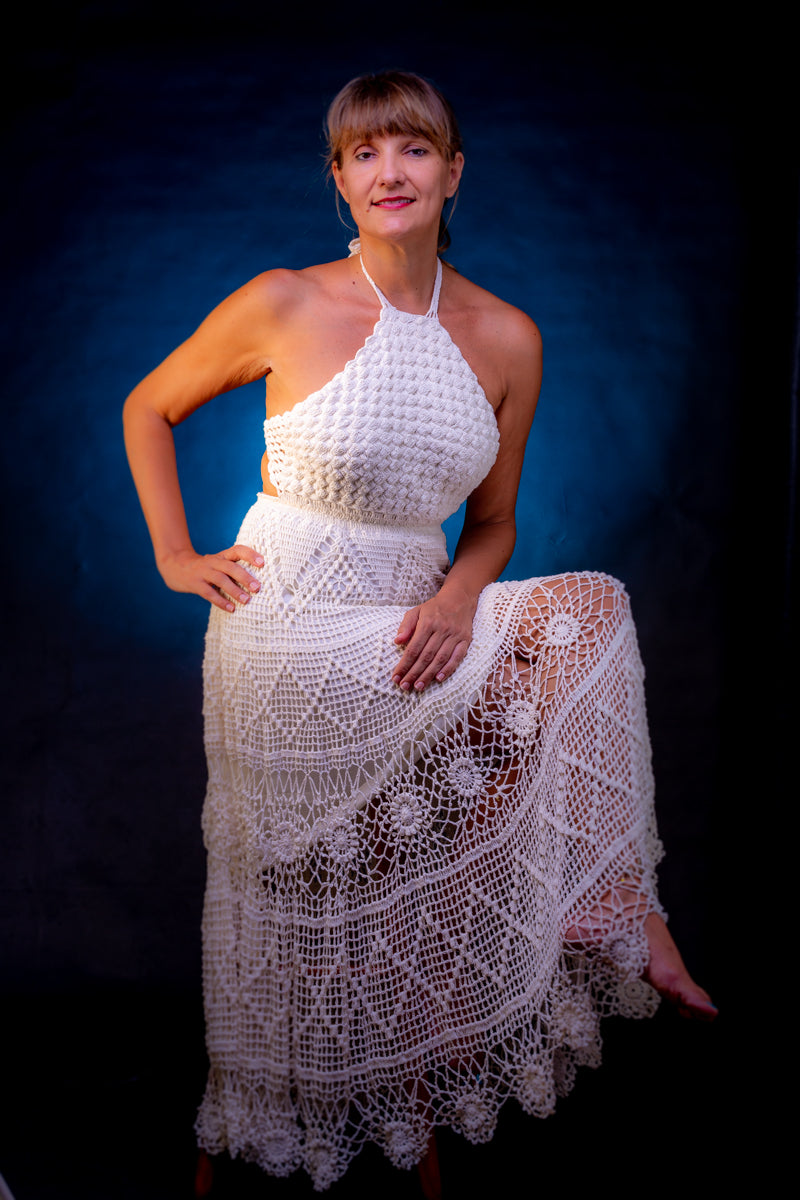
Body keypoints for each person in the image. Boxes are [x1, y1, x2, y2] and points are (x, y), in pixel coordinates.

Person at [123, 70, 716, 1195]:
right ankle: (291, 1101)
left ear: (452, 172)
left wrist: (454, 601)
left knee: (588, 611)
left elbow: (491, 527)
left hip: (414, 626)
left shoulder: (507, 336)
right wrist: (172, 557)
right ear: (339, 180)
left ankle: (607, 908)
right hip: (286, 629)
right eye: (363, 153)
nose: (387, 172)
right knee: (304, 886)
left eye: (411, 149)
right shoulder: (283, 300)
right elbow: (146, 406)